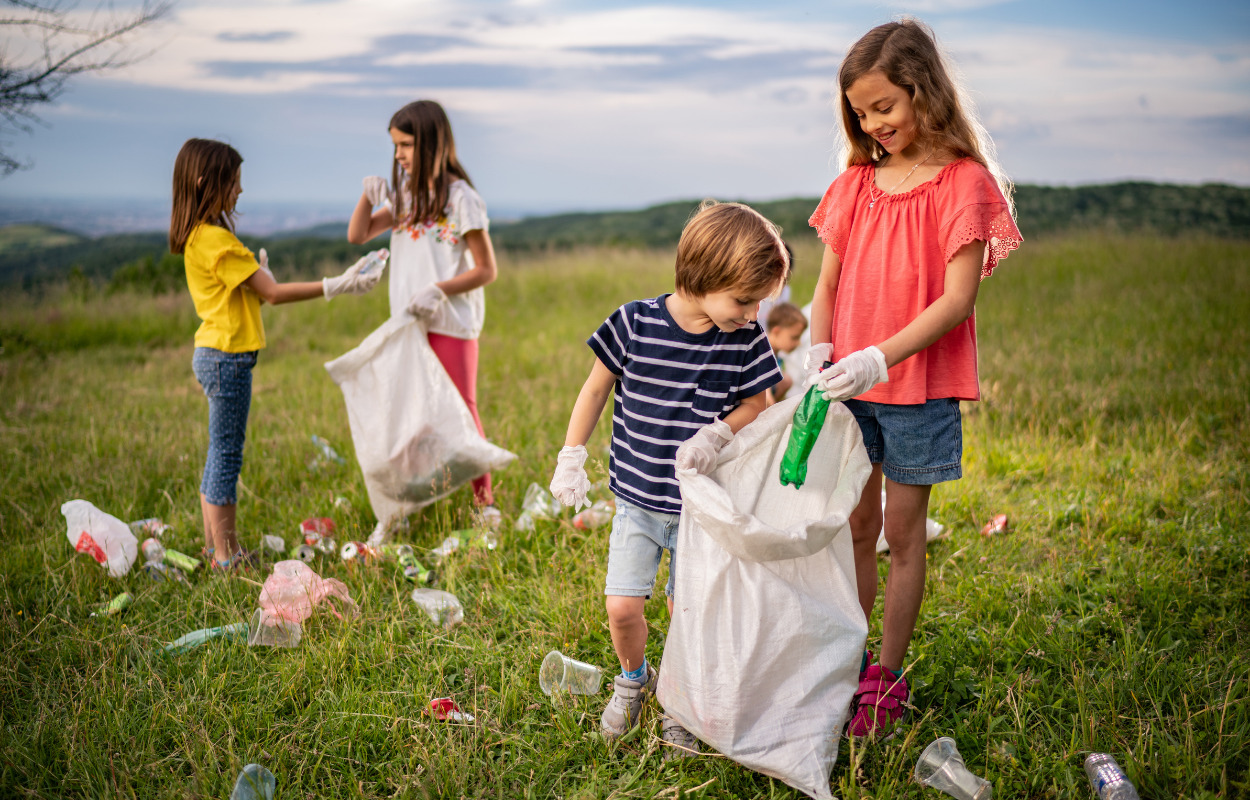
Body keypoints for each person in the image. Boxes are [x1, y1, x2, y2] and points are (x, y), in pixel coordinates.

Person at [805, 18, 1022, 739]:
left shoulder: (964, 183)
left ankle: (886, 676)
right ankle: (849, 655)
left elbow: (957, 300)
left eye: (884, 106)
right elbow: (827, 284)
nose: (874, 123)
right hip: (849, 387)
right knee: (855, 525)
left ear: (923, 91)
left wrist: (879, 356)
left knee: (902, 533)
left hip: (915, 389)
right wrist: (822, 349)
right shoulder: (855, 185)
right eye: (861, 113)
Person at [548, 201, 789, 759]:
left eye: (759, 302)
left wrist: (716, 434)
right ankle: (635, 680)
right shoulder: (633, 323)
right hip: (637, 502)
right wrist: (571, 454)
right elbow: (594, 389)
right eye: (744, 300)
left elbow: (759, 403)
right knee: (622, 607)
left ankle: (683, 703)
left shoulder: (744, 338)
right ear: (704, 276)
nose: (753, 314)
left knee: (690, 616)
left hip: (701, 510)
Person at [170, 138, 384, 571]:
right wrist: (337, 284)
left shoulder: (199, 236)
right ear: (206, 182)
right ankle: (227, 557)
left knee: (218, 452)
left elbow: (248, 294)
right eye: (234, 181)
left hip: (214, 353)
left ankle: (215, 550)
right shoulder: (217, 240)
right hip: (227, 357)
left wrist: (258, 278)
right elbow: (273, 293)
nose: (240, 190)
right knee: (227, 456)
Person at [348, 99, 502, 535]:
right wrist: (367, 196)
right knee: (408, 413)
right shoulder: (405, 199)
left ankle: (485, 504)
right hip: (409, 325)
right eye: (395, 146)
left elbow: (486, 269)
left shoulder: (462, 199)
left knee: (461, 408)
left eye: (406, 145)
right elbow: (358, 234)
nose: (398, 154)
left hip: (451, 323)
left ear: (431, 143)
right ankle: (401, 508)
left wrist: (439, 289)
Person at [764, 300, 808, 402]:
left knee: (786, 381)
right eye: (794, 337)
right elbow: (766, 395)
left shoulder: (776, 354)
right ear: (776, 331)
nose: (798, 343)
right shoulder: (764, 352)